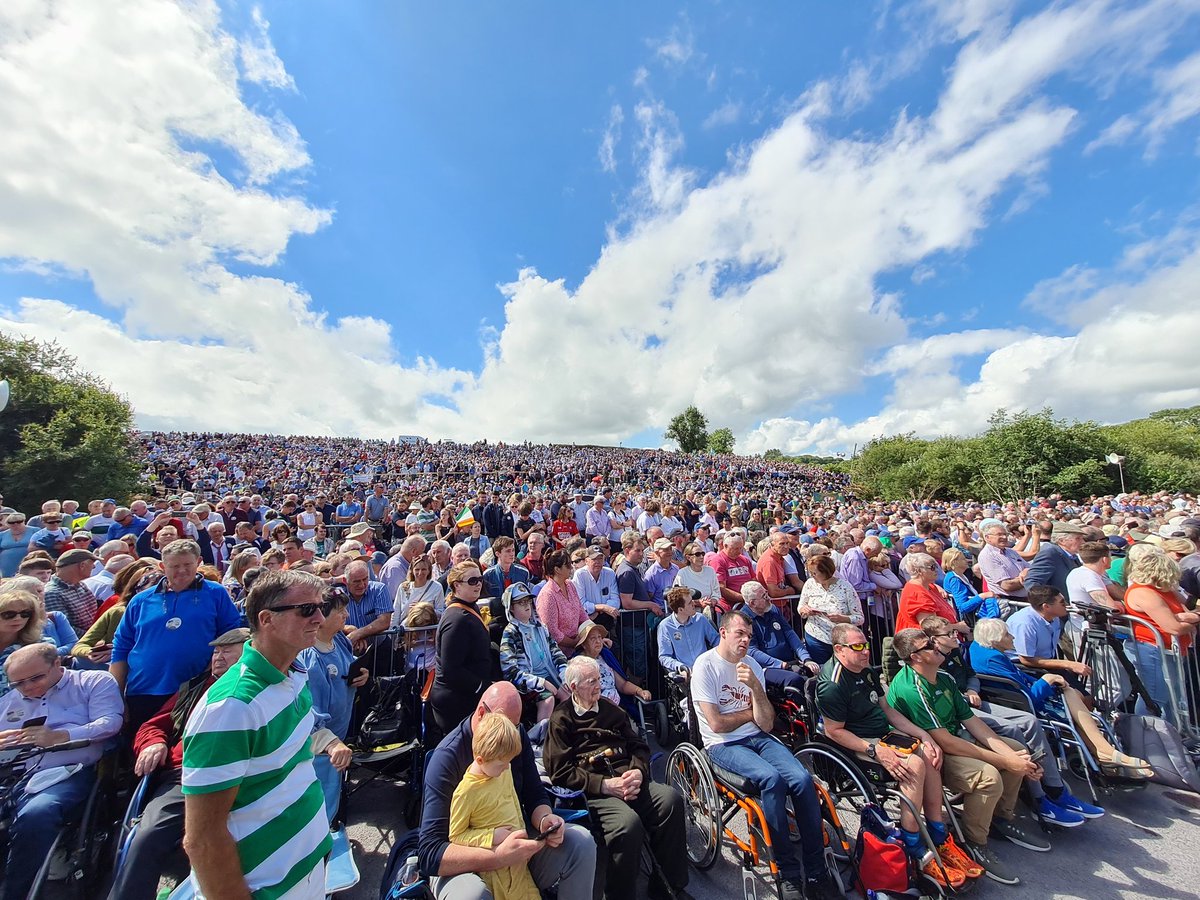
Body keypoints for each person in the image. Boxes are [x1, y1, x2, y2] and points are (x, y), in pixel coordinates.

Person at [182, 570, 333, 899]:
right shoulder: (230, 708)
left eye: (323, 606)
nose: (321, 617)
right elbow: (202, 837)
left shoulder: (294, 673)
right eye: (307, 609)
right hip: (265, 886)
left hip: (305, 869)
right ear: (267, 619)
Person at [815, 624, 980, 888]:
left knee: (927, 753)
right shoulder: (833, 685)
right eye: (858, 647)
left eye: (866, 644)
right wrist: (875, 750)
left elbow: (889, 711)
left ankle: (938, 835)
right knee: (914, 765)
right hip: (855, 741)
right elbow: (834, 731)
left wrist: (926, 736)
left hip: (881, 732)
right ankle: (912, 843)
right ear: (839, 650)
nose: (866, 651)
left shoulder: (866, 671)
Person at [691, 610, 836, 900]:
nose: (745, 640)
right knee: (772, 780)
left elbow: (767, 723)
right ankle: (786, 870)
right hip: (723, 744)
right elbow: (717, 723)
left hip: (758, 737)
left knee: (802, 779)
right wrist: (749, 714)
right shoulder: (705, 666)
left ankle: (816, 869)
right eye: (739, 634)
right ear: (723, 633)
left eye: (748, 636)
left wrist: (756, 687)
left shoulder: (753, 665)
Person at [886, 628, 1049, 884]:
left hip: (957, 739)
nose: (935, 645)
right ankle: (975, 841)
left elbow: (973, 723)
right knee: (989, 776)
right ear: (915, 658)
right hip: (935, 754)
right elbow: (945, 742)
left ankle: (1000, 818)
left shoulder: (944, 677)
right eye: (928, 645)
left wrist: (1016, 759)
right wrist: (1005, 762)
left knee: (1018, 750)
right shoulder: (912, 688)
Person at [106, 628, 251, 900]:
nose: (218, 657)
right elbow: (154, 726)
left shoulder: (263, 688)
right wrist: (153, 743)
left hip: (246, 776)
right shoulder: (195, 689)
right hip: (186, 776)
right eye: (216, 651)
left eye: (227, 651)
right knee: (147, 836)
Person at [419, 681, 595, 900]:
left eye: (515, 726)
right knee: (472, 895)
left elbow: (534, 793)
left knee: (581, 843)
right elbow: (430, 854)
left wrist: (544, 819)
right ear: (482, 713)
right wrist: (498, 857)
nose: (513, 733)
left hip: (513, 847)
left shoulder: (511, 734)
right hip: (464, 863)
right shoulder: (447, 758)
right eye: (507, 725)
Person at [544, 656, 690, 900]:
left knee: (671, 800)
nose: (598, 686)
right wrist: (603, 785)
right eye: (591, 681)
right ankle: (619, 895)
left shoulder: (612, 709)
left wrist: (638, 771)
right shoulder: (561, 719)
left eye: (599, 679)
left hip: (629, 778)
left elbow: (639, 745)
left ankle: (668, 887)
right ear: (573, 688)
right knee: (627, 824)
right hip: (596, 790)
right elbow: (559, 771)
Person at [968, 618, 1150, 779]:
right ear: (994, 640)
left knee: (1073, 694)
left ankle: (1103, 753)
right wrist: (1047, 680)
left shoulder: (982, 649)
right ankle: (1104, 752)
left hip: (1021, 695)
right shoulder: (993, 659)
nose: (1013, 638)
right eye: (1007, 635)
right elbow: (1029, 696)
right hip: (1024, 703)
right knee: (1071, 695)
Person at [111, 539, 243, 731]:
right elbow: (121, 647)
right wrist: (116, 698)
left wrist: (211, 679)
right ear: (162, 566)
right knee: (140, 750)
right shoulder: (141, 600)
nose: (181, 571)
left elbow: (231, 637)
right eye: (174, 566)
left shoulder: (216, 594)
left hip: (194, 690)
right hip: (143, 690)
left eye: (188, 565)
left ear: (198, 562)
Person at [448, 712, 542, 900]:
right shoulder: (466, 792)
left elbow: (513, 801)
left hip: (519, 868)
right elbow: (456, 835)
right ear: (481, 760)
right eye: (502, 764)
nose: (507, 768)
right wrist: (491, 836)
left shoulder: (500, 772)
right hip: (495, 874)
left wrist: (523, 832)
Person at [1121, 548, 1198, 725]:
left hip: (1171, 650)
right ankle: (1147, 737)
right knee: (1155, 697)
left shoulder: (1163, 589)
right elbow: (1174, 627)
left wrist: (1190, 616)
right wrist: (1195, 618)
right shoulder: (1144, 592)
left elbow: (1186, 608)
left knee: (1175, 698)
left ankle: (1173, 736)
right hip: (1153, 650)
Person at [429, 561, 493, 744]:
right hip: (456, 699)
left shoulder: (470, 608)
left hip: (468, 693)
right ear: (457, 585)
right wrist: (483, 686)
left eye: (480, 579)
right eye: (472, 580)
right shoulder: (456, 619)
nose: (479, 584)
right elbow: (451, 669)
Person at [499, 582, 570, 723]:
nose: (526, 605)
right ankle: (541, 737)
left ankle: (564, 731)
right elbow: (510, 671)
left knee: (569, 692)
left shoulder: (540, 627)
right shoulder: (510, 633)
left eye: (528, 601)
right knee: (548, 700)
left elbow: (555, 651)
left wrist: (565, 673)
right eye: (520, 603)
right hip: (528, 682)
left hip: (551, 675)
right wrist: (541, 682)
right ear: (511, 608)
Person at [741, 581, 818, 691]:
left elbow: (789, 633)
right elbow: (752, 650)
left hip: (790, 662)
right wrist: (778, 664)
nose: (768, 598)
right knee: (794, 680)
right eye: (764, 596)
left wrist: (806, 658)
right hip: (765, 668)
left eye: (766, 593)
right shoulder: (744, 620)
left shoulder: (773, 610)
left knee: (814, 673)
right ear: (753, 603)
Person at [1005, 585, 1092, 682]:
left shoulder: (1054, 617)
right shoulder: (1024, 624)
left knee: (1085, 696)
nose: (1067, 605)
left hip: (1046, 664)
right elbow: (1026, 660)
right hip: (1026, 669)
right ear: (1046, 606)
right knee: (1076, 695)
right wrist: (1069, 664)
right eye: (1062, 603)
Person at [797, 553, 863, 664]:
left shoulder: (845, 587)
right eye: (810, 573)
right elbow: (801, 606)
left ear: (826, 572)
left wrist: (843, 618)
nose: (812, 576)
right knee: (821, 671)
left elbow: (860, 618)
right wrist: (804, 610)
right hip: (815, 636)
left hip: (840, 639)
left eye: (815, 573)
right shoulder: (809, 584)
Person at [576, 620, 651, 706]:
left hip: (616, 706)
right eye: (593, 638)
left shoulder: (605, 656)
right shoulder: (579, 664)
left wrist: (639, 691)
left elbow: (622, 685)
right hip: (597, 708)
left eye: (599, 637)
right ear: (584, 645)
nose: (598, 641)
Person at [535, 548, 589, 653]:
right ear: (557, 569)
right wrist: (575, 643)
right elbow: (552, 632)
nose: (571, 567)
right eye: (568, 565)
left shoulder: (570, 585)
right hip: (558, 655)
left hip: (578, 646)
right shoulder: (548, 595)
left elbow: (582, 613)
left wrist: (593, 632)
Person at [657, 586, 719, 676]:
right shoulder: (665, 626)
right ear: (680, 609)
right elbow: (664, 656)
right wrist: (680, 666)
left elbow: (717, 640)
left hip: (707, 670)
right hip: (685, 674)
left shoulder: (700, 619)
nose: (694, 604)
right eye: (690, 603)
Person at [341, 559, 394, 653]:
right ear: (345, 581)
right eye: (356, 581)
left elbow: (384, 621)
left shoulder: (379, 589)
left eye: (365, 579)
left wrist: (358, 634)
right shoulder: (339, 594)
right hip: (349, 650)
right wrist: (347, 628)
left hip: (379, 649)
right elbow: (328, 621)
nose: (361, 585)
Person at [43, 547, 99, 635]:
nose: (94, 566)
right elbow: (64, 628)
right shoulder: (52, 594)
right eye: (92, 563)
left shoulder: (81, 586)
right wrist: (94, 637)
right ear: (82, 566)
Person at [1025, 522, 1085, 600]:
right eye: (1078, 538)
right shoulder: (1050, 553)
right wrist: (1051, 602)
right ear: (1061, 541)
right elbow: (1032, 583)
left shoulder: (1071, 555)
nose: (1083, 542)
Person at [940, 547, 1000, 620]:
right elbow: (962, 607)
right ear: (954, 562)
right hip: (967, 621)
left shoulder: (960, 575)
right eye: (963, 559)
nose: (967, 560)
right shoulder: (954, 579)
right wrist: (982, 596)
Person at [976, 523, 1031, 600]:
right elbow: (1006, 585)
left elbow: (1031, 569)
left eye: (1005, 534)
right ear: (987, 538)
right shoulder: (987, 555)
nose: (1004, 537)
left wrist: (1026, 571)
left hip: (1026, 598)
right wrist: (1027, 578)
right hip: (1009, 602)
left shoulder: (1011, 552)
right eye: (999, 535)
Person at [571, 546, 621, 629]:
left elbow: (616, 601)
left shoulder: (610, 573)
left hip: (607, 621)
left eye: (600, 558)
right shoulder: (580, 575)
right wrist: (604, 607)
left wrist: (598, 610)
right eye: (594, 559)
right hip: (588, 623)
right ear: (586, 561)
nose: (597, 562)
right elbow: (581, 604)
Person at [393, 552, 447, 623]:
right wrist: (393, 630)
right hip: (405, 629)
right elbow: (396, 612)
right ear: (412, 571)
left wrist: (423, 608)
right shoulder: (403, 587)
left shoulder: (436, 587)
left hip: (427, 630)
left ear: (429, 571)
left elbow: (441, 612)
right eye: (417, 570)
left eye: (424, 569)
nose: (420, 573)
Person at [672, 541, 721, 616]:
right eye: (697, 554)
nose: (701, 557)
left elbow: (716, 591)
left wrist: (713, 600)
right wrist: (698, 603)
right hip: (689, 613)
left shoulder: (710, 571)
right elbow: (679, 598)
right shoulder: (682, 574)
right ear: (689, 558)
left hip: (710, 610)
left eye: (702, 554)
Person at [0, 513, 32, 577]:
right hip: (6, 565)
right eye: (11, 523)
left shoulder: (35, 531)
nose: (15, 524)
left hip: (28, 563)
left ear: (24, 521)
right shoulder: (2, 535)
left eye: (19, 522)